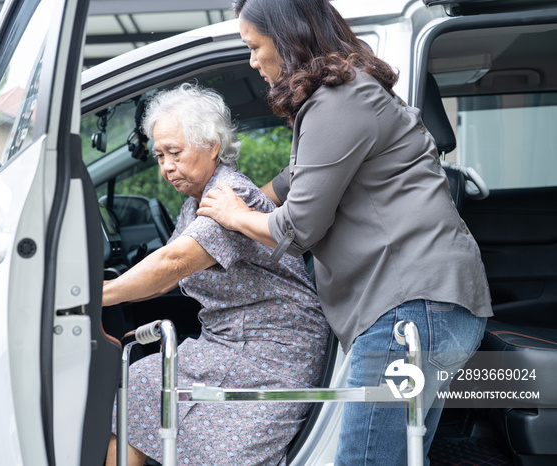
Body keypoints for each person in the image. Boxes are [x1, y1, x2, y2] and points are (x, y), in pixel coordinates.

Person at [196, 1, 493, 465]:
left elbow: (299, 225)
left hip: (409, 311)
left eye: (254, 47)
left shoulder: (338, 101)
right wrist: (242, 197)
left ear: (289, 36)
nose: (252, 61)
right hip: (429, 308)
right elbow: (295, 180)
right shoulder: (347, 94)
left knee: (368, 460)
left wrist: (235, 215)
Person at [103, 82, 329, 466]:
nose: (166, 166)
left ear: (211, 145)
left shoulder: (227, 195)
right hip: (230, 344)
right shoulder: (196, 203)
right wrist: (114, 293)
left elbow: (174, 263)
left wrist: (93, 295)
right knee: (142, 384)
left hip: (273, 350)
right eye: (159, 156)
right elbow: (170, 277)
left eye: (174, 152)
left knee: (144, 384)